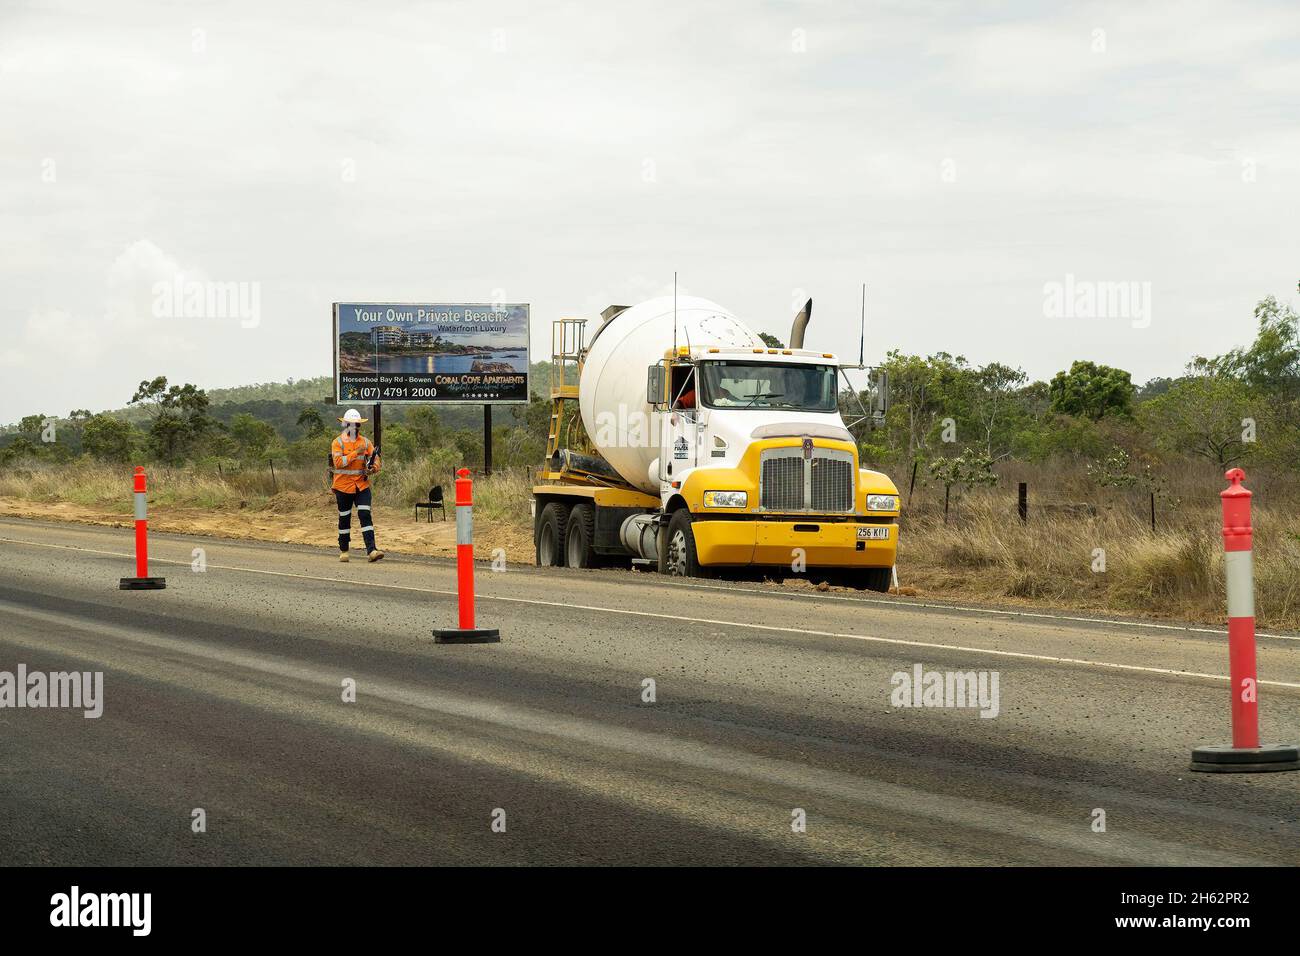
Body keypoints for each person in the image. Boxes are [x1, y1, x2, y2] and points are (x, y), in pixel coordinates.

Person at [330, 409, 383, 562]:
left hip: (361, 485)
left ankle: (372, 550)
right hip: (342, 486)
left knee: (365, 514)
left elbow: (376, 460)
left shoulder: (366, 442)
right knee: (344, 518)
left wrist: (373, 467)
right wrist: (356, 453)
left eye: (357, 425)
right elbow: (339, 462)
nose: (354, 427)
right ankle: (344, 550)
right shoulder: (337, 442)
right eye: (351, 424)